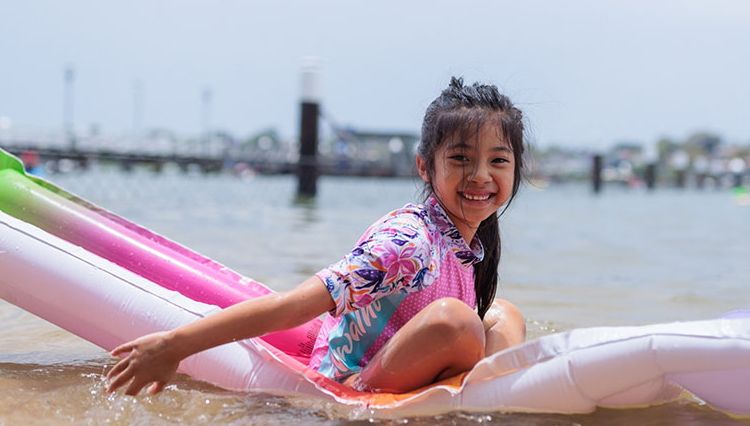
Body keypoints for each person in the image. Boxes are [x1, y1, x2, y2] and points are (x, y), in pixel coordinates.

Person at [105, 77, 528, 396]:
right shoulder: (407, 242)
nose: (480, 176)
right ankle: (477, 402)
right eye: (460, 159)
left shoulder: (466, 246)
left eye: (498, 160)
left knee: (504, 314)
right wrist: (174, 346)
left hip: (401, 368)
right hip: (349, 388)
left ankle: (485, 401)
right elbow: (291, 307)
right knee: (456, 321)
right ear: (424, 166)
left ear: (515, 170)